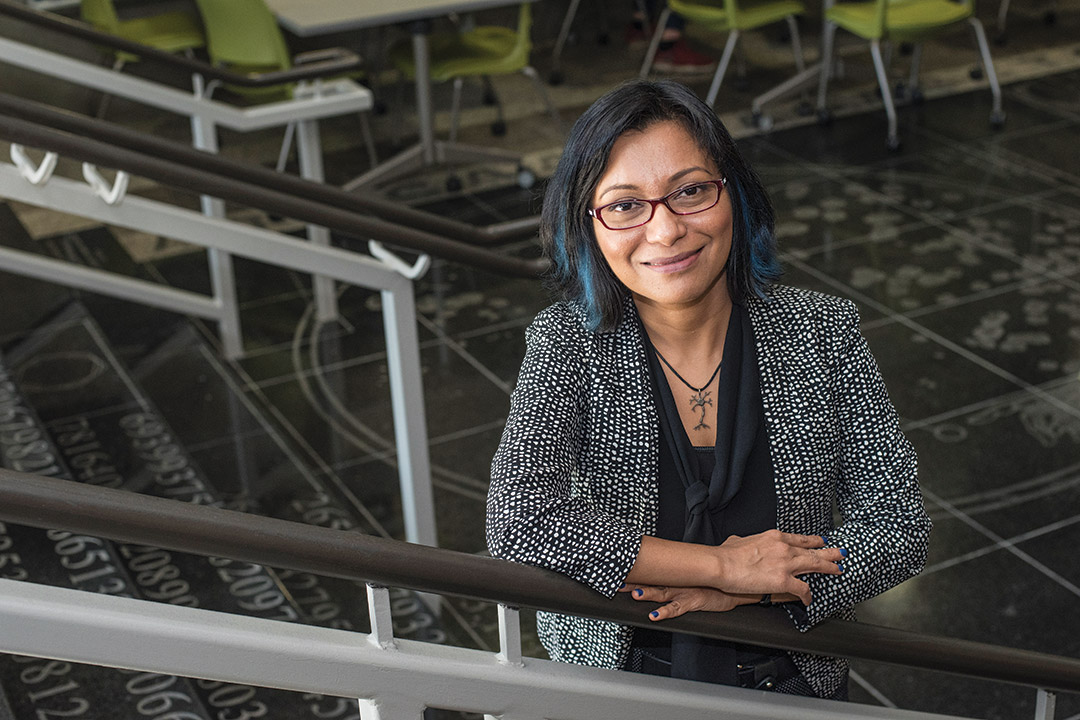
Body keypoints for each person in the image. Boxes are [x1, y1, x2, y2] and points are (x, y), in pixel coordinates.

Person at [486, 79, 931, 700]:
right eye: (624, 205)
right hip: (619, 685)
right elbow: (519, 521)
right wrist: (722, 567)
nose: (665, 231)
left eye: (690, 191)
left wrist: (762, 585)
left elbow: (899, 524)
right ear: (588, 226)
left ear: (734, 195)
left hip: (792, 675)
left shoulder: (822, 331)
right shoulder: (567, 343)